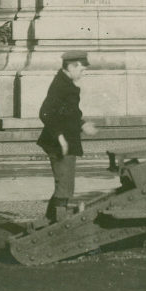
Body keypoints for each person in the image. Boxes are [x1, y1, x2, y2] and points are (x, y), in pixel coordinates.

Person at [36, 51, 98, 222]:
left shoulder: (65, 83)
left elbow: (69, 111)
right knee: (64, 187)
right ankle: (59, 224)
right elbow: (45, 113)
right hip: (60, 144)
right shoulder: (62, 86)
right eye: (82, 70)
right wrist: (60, 138)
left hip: (66, 141)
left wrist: (82, 124)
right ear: (71, 66)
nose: (83, 74)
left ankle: (50, 220)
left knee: (65, 185)